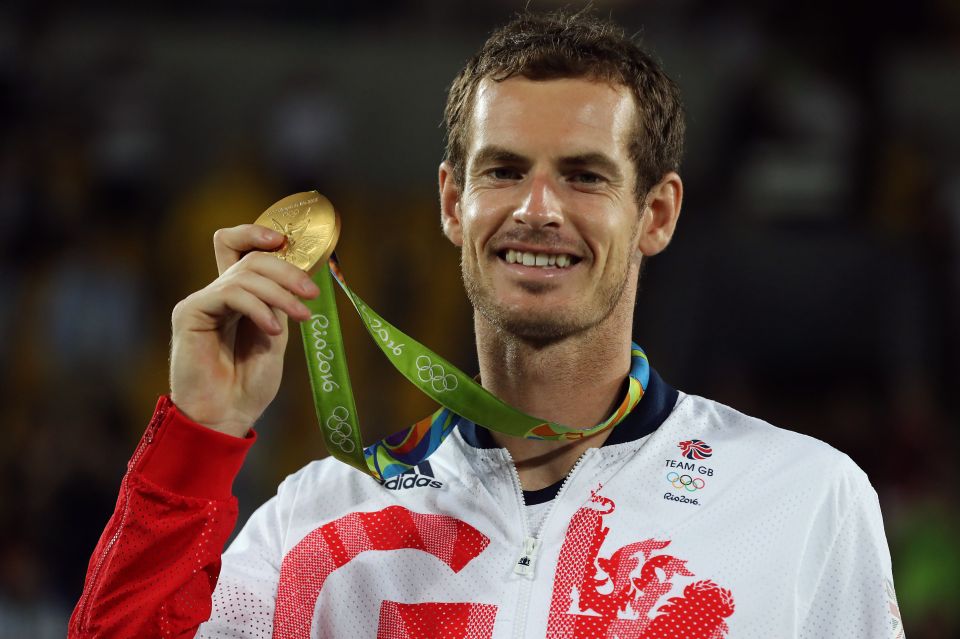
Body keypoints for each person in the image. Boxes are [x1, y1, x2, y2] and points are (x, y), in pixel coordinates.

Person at [68, 9, 904, 639]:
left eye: (584, 175)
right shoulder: (317, 523)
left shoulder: (800, 501)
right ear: (451, 202)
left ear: (656, 213)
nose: (538, 209)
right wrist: (199, 438)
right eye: (503, 170)